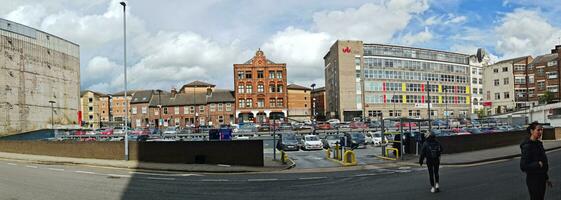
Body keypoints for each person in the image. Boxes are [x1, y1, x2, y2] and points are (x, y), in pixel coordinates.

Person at [520, 122, 552, 200]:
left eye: (541, 130)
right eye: (538, 130)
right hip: (533, 180)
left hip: (541, 178)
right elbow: (523, 166)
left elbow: (543, 162)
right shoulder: (527, 146)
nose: (540, 132)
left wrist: (546, 178)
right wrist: (537, 164)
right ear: (532, 131)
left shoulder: (539, 144)